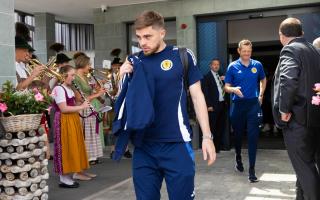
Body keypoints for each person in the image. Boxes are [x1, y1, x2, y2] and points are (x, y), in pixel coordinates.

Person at [118, 10, 216, 199]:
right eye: (138, 37)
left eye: (148, 36)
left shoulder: (182, 56)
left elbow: (197, 97)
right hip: (144, 147)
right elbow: (124, 102)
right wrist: (121, 77)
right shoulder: (134, 61)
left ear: (162, 33)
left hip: (177, 145)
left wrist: (207, 137)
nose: (142, 42)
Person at [272, 17, 320, 200]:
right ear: (302, 33)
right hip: (314, 119)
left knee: (305, 169)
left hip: (298, 121)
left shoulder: (290, 49)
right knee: (306, 166)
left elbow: (288, 80)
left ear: (281, 35)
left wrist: (284, 109)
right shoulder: (314, 51)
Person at [224, 39, 266, 182]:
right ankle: (238, 157)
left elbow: (263, 79)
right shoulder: (232, 66)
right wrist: (233, 89)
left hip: (253, 105)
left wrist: (261, 94)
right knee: (237, 136)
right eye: (244, 51)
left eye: (249, 51)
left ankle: (252, 171)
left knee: (253, 137)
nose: (247, 53)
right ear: (239, 51)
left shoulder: (257, 65)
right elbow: (226, 87)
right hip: (238, 106)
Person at [51, 65, 91, 188]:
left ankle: (69, 175)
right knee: (65, 147)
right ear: (64, 76)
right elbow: (64, 108)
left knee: (72, 146)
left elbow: (73, 104)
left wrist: (82, 101)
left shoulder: (70, 89)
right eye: (72, 75)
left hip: (72, 119)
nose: (74, 78)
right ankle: (63, 178)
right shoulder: (59, 89)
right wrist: (82, 106)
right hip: (63, 120)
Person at [73, 53, 106, 167]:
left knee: (91, 132)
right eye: (89, 64)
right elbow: (79, 98)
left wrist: (97, 90)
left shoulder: (84, 77)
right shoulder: (76, 78)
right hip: (82, 109)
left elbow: (87, 93)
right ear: (83, 64)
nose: (90, 67)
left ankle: (91, 156)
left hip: (89, 107)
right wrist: (98, 94)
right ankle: (86, 157)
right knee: (86, 133)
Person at [202, 58, 226, 153]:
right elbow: (205, 92)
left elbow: (223, 89)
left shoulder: (221, 76)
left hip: (222, 105)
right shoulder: (206, 77)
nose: (216, 66)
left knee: (221, 127)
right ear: (210, 66)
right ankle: (210, 148)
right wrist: (209, 105)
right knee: (212, 127)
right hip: (213, 106)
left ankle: (217, 147)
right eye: (214, 64)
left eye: (218, 65)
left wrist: (225, 80)